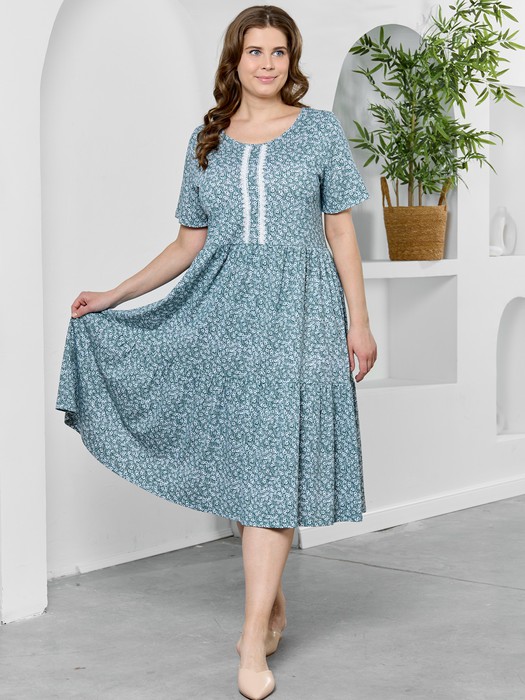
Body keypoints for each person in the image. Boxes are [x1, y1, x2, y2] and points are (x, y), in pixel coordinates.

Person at [56, 4, 377, 699]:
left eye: (278, 52)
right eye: (254, 51)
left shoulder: (320, 132)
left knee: (274, 465)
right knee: (244, 462)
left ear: (292, 61)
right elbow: (186, 243)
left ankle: (250, 640)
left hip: (301, 317)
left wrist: (358, 321)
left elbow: (340, 233)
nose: (267, 63)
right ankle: (271, 604)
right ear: (235, 60)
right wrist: (113, 294)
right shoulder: (207, 140)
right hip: (223, 316)